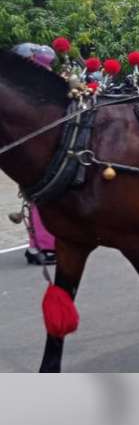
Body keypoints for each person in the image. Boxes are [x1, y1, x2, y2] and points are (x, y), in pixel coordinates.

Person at [11, 43, 57, 265]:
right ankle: (46, 246)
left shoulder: (21, 82)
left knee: (36, 197)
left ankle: (35, 246)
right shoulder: (35, 83)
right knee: (45, 196)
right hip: (40, 149)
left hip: (30, 150)